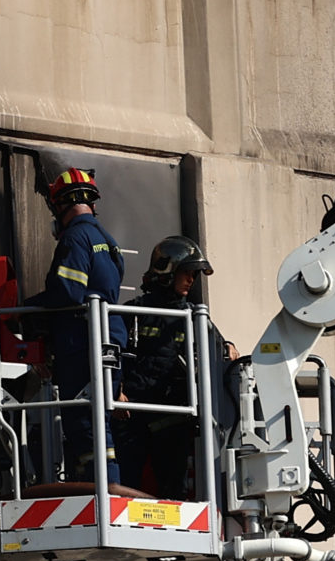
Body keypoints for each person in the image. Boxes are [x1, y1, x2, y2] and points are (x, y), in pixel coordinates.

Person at [116, 235, 238, 497]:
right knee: (125, 489)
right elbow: (110, 354)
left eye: (194, 274)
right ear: (166, 270)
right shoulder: (132, 312)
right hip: (130, 415)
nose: (191, 280)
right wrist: (116, 390)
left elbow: (218, 348)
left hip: (171, 417)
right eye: (186, 272)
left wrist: (226, 346)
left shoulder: (195, 316)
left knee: (174, 490)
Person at [26, 164, 127, 484]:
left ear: (62, 204)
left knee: (85, 425)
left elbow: (68, 291)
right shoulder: (106, 239)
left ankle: (102, 495)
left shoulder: (74, 238)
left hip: (81, 344)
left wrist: (25, 310)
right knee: (100, 422)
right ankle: (105, 490)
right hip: (109, 341)